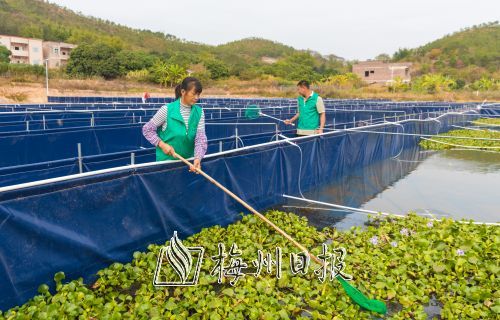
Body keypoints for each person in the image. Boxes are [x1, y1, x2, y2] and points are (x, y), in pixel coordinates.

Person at [142, 77, 207, 173]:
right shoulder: (167, 110)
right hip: (165, 165)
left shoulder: (200, 113)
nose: (197, 97)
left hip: (187, 164)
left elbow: (200, 139)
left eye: (198, 94)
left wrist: (197, 159)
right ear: (183, 92)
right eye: (194, 94)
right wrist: (162, 145)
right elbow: (147, 129)